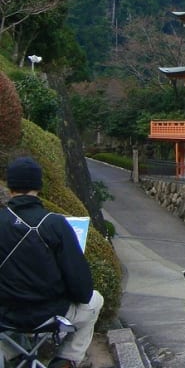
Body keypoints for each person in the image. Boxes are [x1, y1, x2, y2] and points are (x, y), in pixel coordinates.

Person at [0, 156, 104, 368]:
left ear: (10, 185)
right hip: (49, 313)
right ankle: (66, 360)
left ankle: (15, 356)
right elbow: (83, 290)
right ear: (39, 186)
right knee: (95, 300)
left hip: (5, 315)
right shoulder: (55, 224)